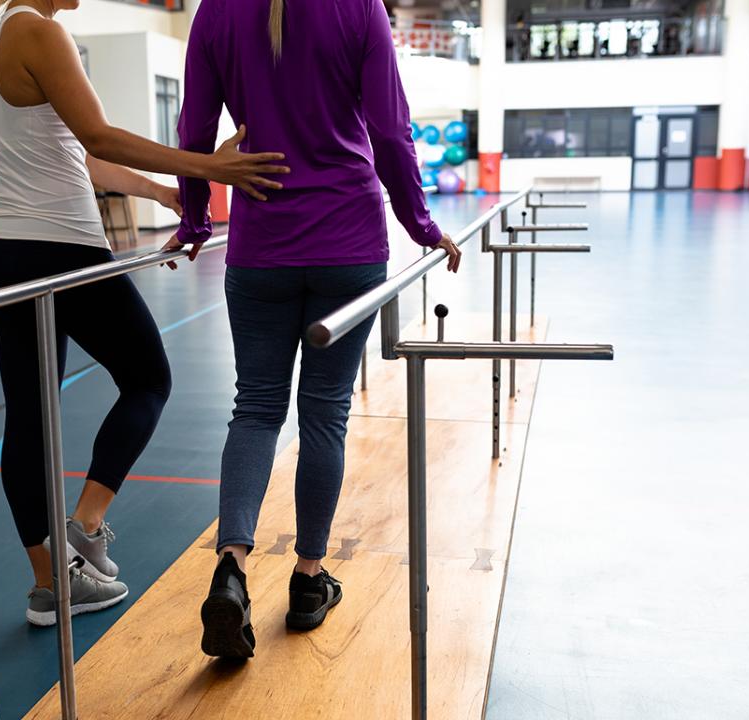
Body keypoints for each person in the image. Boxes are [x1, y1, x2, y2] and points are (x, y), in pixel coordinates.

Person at [0, 0, 289, 626]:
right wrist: (209, 167)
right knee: (148, 379)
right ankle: (86, 524)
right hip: (60, 252)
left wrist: (168, 192)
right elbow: (98, 136)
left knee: (30, 417)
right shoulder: (41, 31)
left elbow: (78, 156)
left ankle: (52, 584)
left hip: (9, 252)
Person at [165, 0, 462, 658]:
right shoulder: (358, 7)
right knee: (324, 413)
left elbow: (194, 129)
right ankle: (307, 579)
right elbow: (391, 133)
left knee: (257, 407)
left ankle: (232, 569)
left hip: (260, 246)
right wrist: (421, 227)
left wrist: (194, 220)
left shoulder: (216, 11)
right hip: (348, 243)